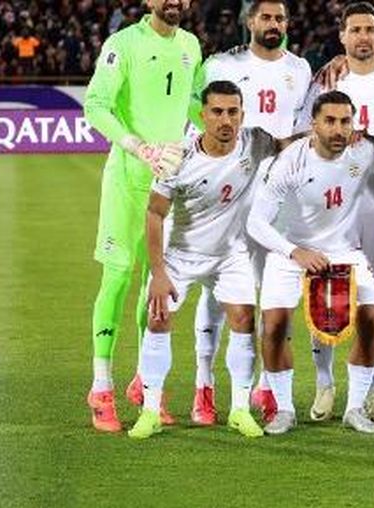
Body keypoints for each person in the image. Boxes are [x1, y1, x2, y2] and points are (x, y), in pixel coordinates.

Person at [130, 80, 289, 439]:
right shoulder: (177, 158)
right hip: (182, 255)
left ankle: (239, 409)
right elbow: (154, 214)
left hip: (231, 255)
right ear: (203, 115)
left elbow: (284, 145)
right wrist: (158, 273)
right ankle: (151, 410)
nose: (226, 120)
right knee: (158, 319)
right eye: (217, 112)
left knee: (244, 319)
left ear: (242, 114)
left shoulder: (254, 141)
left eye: (233, 112)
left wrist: (321, 134)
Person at [245, 91, 374, 434]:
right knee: (273, 326)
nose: (338, 129)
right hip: (291, 251)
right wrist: (296, 252)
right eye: (330, 121)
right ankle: (284, 410)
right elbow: (256, 223)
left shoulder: (364, 149)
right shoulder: (290, 161)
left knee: (372, 319)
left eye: (345, 121)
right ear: (313, 124)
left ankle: (354, 408)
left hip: (345, 251)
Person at [183, 0, 313, 426]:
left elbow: (305, 129)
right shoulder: (221, 65)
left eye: (280, 18)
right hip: (229, 195)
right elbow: (196, 122)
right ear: (250, 21)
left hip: (279, 198)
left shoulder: (300, 69)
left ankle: (265, 387)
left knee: (272, 294)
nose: (273, 24)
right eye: (266, 17)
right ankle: (204, 385)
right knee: (216, 292)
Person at [293, 2, 374, 423]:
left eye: (370, 29)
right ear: (342, 35)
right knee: (325, 291)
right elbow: (304, 132)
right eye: (356, 29)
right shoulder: (325, 81)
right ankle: (324, 382)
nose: (364, 36)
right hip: (331, 204)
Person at [83, 0, 201, 432]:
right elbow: (96, 105)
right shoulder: (123, 44)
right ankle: (101, 387)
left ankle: (145, 382)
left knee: (157, 287)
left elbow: (196, 106)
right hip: (127, 181)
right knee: (117, 278)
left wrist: (191, 143)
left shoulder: (191, 45)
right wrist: (136, 146)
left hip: (169, 184)